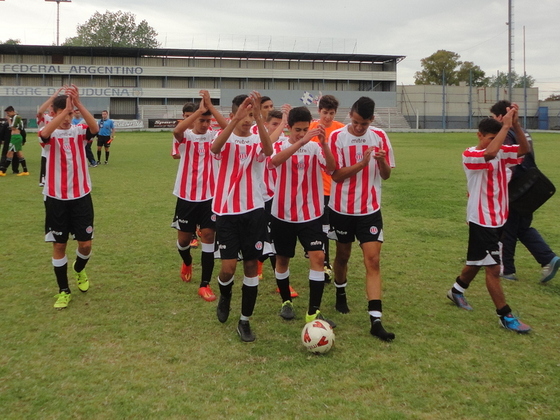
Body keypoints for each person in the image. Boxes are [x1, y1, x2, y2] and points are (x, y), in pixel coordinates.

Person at [447, 110, 532, 333]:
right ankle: (505, 315)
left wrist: (515, 126)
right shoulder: (471, 155)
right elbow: (490, 154)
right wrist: (504, 129)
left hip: (499, 218)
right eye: (490, 138)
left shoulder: (502, 151)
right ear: (479, 135)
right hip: (481, 219)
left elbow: (524, 149)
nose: (495, 143)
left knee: (479, 260)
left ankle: (456, 290)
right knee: (493, 268)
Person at [328, 96, 396, 342]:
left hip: (370, 210)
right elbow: (335, 176)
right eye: (356, 122)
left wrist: (382, 161)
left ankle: (375, 319)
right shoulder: (336, 138)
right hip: (341, 210)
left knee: (373, 260)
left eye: (364, 124)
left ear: (372, 120)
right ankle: (340, 293)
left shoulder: (380, 137)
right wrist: (362, 163)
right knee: (342, 256)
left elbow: (386, 176)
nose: (359, 127)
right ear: (350, 115)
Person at [211, 92, 273, 342]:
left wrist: (259, 119)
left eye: (250, 114)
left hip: (254, 211)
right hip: (226, 212)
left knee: (251, 267)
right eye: (243, 114)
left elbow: (268, 151)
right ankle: (225, 295)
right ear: (233, 114)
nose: (247, 120)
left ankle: (245, 320)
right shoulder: (223, 138)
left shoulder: (258, 139)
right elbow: (215, 148)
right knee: (227, 269)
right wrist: (235, 121)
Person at [268, 106, 336, 322]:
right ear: (288, 128)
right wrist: (301, 141)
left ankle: (313, 311)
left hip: (311, 214)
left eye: (305, 129)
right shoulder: (279, 144)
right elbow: (274, 162)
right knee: (282, 260)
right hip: (282, 214)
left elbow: (332, 169)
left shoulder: (315, 149)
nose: (302, 133)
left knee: (318, 257)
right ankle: (286, 301)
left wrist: (324, 144)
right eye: (297, 129)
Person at [38, 85, 99, 309]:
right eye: (62, 113)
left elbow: (95, 127)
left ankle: (79, 269)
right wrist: (65, 110)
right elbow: (44, 134)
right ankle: (64, 290)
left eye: (70, 114)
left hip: (81, 196)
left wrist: (78, 105)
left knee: (85, 245)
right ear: (53, 114)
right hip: (55, 198)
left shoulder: (79, 131)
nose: (67, 118)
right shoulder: (48, 131)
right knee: (59, 246)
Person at [490, 100, 560, 284]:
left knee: (507, 229)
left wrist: (500, 190)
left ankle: (507, 269)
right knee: (523, 227)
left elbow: (509, 164)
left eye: (493, 117)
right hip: (532, 185)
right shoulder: (523, 131)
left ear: (500, 116)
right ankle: (548, 258)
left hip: (517, 188)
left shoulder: (507, 133)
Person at [171, 90, 227, 302]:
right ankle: (186, 261)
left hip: (211, 197)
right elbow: (177, 131)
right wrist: (199, 111)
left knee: (209, 238)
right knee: (184, 240)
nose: (204, 124)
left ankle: (205, 284)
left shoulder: (214, 136)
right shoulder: (186, 136)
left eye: (207, 120)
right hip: (186, 196)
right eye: (201, 120)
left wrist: (210, 108)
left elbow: (227, 129)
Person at [310, 95, 345, 283]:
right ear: (319, 111)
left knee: (335, 229)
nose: (328, 117)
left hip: (336, 187)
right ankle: (324, 264)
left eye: (331, 113)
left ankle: (333, 263)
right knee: (321, 228)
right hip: (316, 188)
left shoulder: (340, 130)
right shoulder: (310, 128)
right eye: (325, 113)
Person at [36, 87, 64, 186]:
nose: (51, 107)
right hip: (47, 148)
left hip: (61, 148)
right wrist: (53, 97)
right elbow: (40, 112)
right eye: (50, 105)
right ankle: (45, 181)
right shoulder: (46, 118)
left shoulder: (62, 118)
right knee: (47, 166)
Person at [0, 106, 29, 177]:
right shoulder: (15, 118)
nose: (7, 115)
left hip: (15, 137)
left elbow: (12, 127)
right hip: (15, 137)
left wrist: (9, 121)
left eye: (8, 113)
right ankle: (25, 171)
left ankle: (3, 171)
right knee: (19, 154)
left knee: (9, 153)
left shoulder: (16, 117)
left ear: (12, 111)